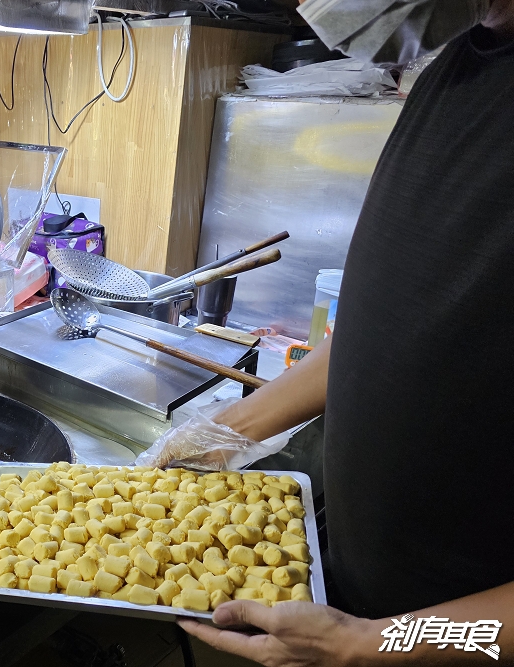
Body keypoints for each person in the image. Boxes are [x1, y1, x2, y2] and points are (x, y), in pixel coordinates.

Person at [142, 0, 514, 664]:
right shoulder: (451, 75)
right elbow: (391, 322)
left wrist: (378, 645)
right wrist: (233, 427)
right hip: (345, 592)